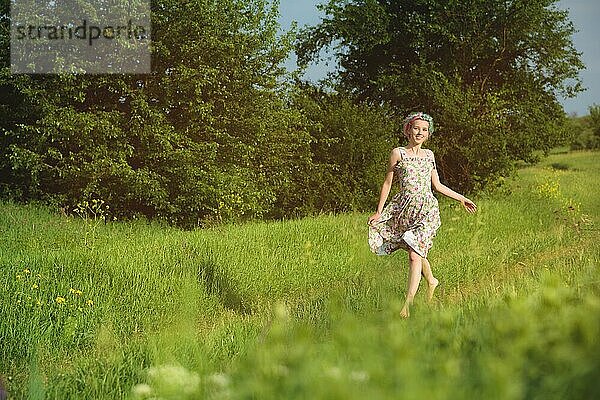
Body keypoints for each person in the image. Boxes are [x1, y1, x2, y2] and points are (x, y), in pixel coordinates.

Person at [367, 112, 477, 318]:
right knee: (413, 248)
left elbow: (437, 185)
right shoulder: (398, 153)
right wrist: (379, 211)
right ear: (408, 129)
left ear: (428, 134)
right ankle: (432, 280)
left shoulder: (429, 156)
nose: (420, 132)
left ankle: (407, 306)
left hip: (427, 211)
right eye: (416, 128)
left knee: (413, 255)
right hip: (404, 210)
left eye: (424, 130)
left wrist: (461, 198)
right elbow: (388, 183)